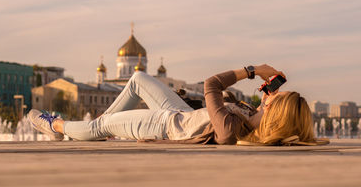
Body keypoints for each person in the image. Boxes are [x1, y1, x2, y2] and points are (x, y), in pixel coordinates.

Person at [28, 64, 318, 145]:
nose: (271, 93)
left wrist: (252, 70)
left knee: (101, 124)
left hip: (162, 124)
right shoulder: (251, 119)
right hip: (179, 113)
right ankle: (92, 129)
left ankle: (55, 125)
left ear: (273, 111)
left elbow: (211, 85)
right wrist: (263, 98)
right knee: (139, 77)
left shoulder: (231, 130)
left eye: (276, 96)